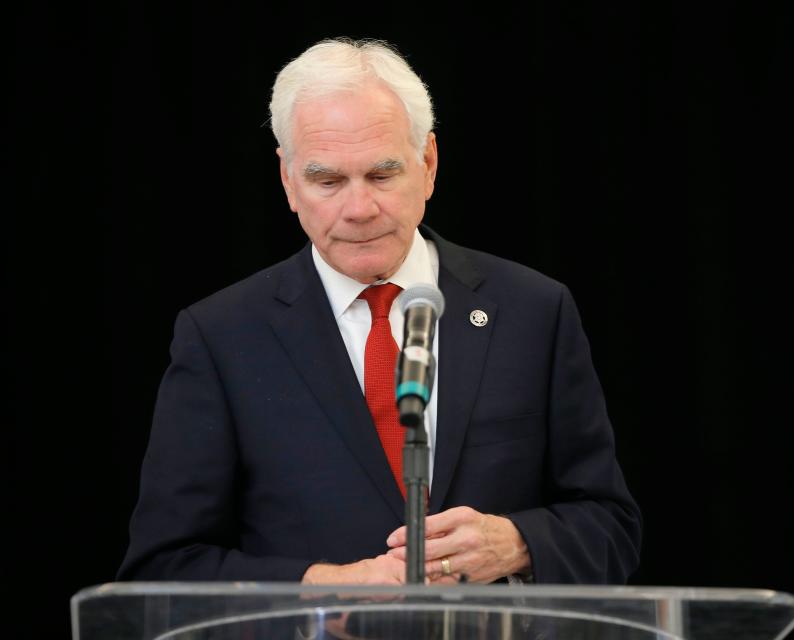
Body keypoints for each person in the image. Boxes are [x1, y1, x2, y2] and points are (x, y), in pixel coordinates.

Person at [118, 38, 641, 586]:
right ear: (287, 181)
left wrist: (518, 544)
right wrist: (323, 588)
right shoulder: (221, 336)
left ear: (429, 164)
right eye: (328, 181)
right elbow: (164, 568)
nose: (359, 209)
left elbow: (611, 527)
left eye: (382, 176)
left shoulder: (533, 311)